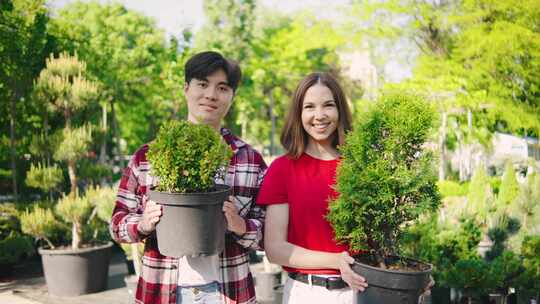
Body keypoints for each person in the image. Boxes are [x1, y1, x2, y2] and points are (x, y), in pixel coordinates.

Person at [110, 51, 267, 304]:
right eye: (202, 84)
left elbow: (268, 232)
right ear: (186, 88)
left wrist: (241, 225)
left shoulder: (249, 160)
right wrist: (143, 224)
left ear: (232, 97)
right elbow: (117, 224)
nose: (211, 95)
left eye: (222, 87)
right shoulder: (149, 156)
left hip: (229, 291)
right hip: (161, 290)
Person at [256, 72, 368, 304]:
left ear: (340, 111)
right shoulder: (282, 169)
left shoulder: (361, 166)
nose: (319, 115)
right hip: (307, 293)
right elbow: (275, 249)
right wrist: (336, 261)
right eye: (309, 107)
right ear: (299, 113)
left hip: (364, 290)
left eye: (328, 105)